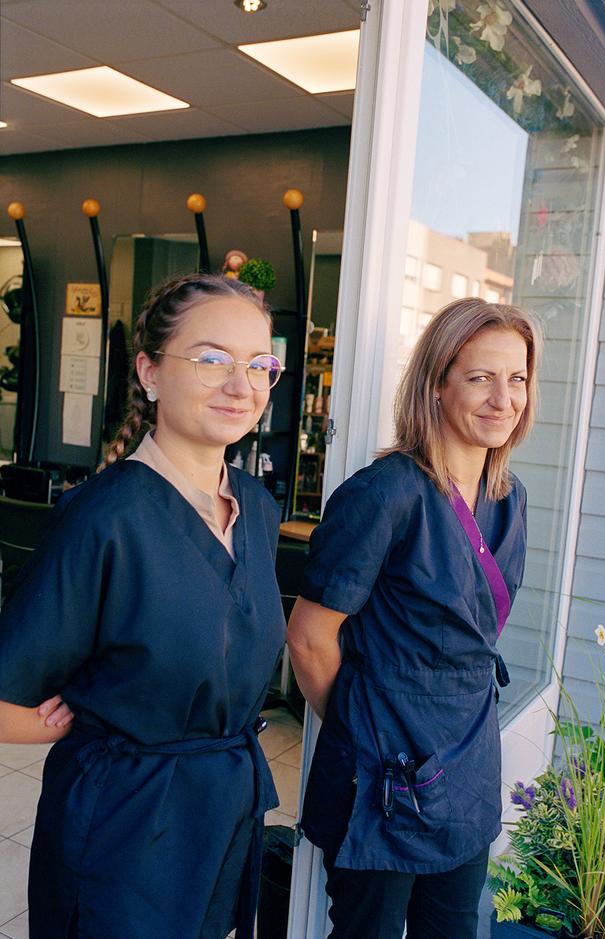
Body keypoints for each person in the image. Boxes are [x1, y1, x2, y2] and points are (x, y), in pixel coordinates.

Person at [0, 273, 286, 939]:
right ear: (150, 372)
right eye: (212, 358)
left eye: (259, 364)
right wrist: (76, 726)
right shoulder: (105, 517)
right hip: (123, 830)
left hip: (222, 816)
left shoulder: (258, 509)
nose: (241, 385)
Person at [287, 299, 541, 939]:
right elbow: (310, 638)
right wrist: (363, 730)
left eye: (517, 379)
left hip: (467, 765)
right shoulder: (387, 493)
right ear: (437, 383)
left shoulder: (511, 501)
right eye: (481, 377)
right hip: (386, 777)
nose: (502, 399)